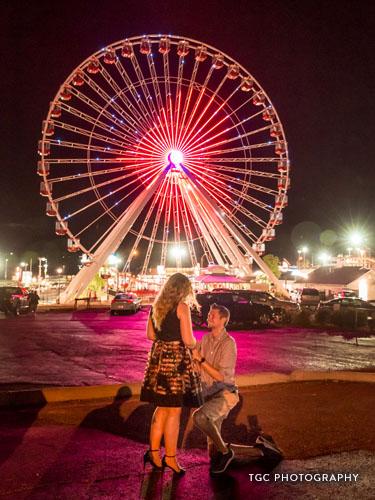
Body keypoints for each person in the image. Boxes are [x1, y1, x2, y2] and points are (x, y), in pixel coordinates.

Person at [192, 303, 283, 474]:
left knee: (199, 417)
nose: (208, 317)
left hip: (225, 394)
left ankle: (227, 453)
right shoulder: (204, 339)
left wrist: (201, 360)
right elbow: (200, 368)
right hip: (208, 395)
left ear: (223, 320)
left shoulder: (229, 343)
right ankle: (260, 450)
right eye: (209, 314)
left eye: (212, 315)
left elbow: (221, 376)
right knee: (213, 453)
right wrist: (195, 364)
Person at [140, 273, 203, 475]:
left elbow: (150, 335)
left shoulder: (155, 307)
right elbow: (188, 339)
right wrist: (196, 347)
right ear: (183, 289)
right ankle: (171, 458)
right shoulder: (181, 307)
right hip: (175, 362)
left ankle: (154, 453)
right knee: (174, 411)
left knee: (162, 408)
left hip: (158, 359)